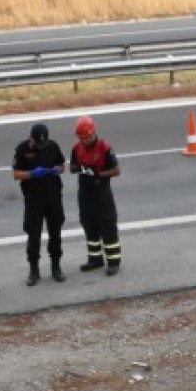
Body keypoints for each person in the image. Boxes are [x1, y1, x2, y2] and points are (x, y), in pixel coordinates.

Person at [12, 123, 68, 285]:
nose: (41, 145)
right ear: (31, 137)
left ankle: (56, 267)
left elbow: (63, 165)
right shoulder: (22, 149)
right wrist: (32, 174)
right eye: (38, 143)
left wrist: (57, 169)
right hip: (33, 198)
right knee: (33, 234)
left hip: (53, 195)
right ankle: (34, 270)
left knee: (55, 232)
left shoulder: (52, 146)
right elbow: (16, 174)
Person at [70, 115, 123, 275]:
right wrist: (80, 169)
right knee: (88, 225)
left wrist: (98, 174)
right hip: (85, 193)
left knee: (107, 225)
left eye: (86, 137)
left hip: (101, 192)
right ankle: (95, 259)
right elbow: (72, 167)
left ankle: (113, 261)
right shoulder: (76, 148)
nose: (84, 141)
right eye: (81, 138)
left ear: (93, 133)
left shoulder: (104, 148)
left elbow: (116, 170)